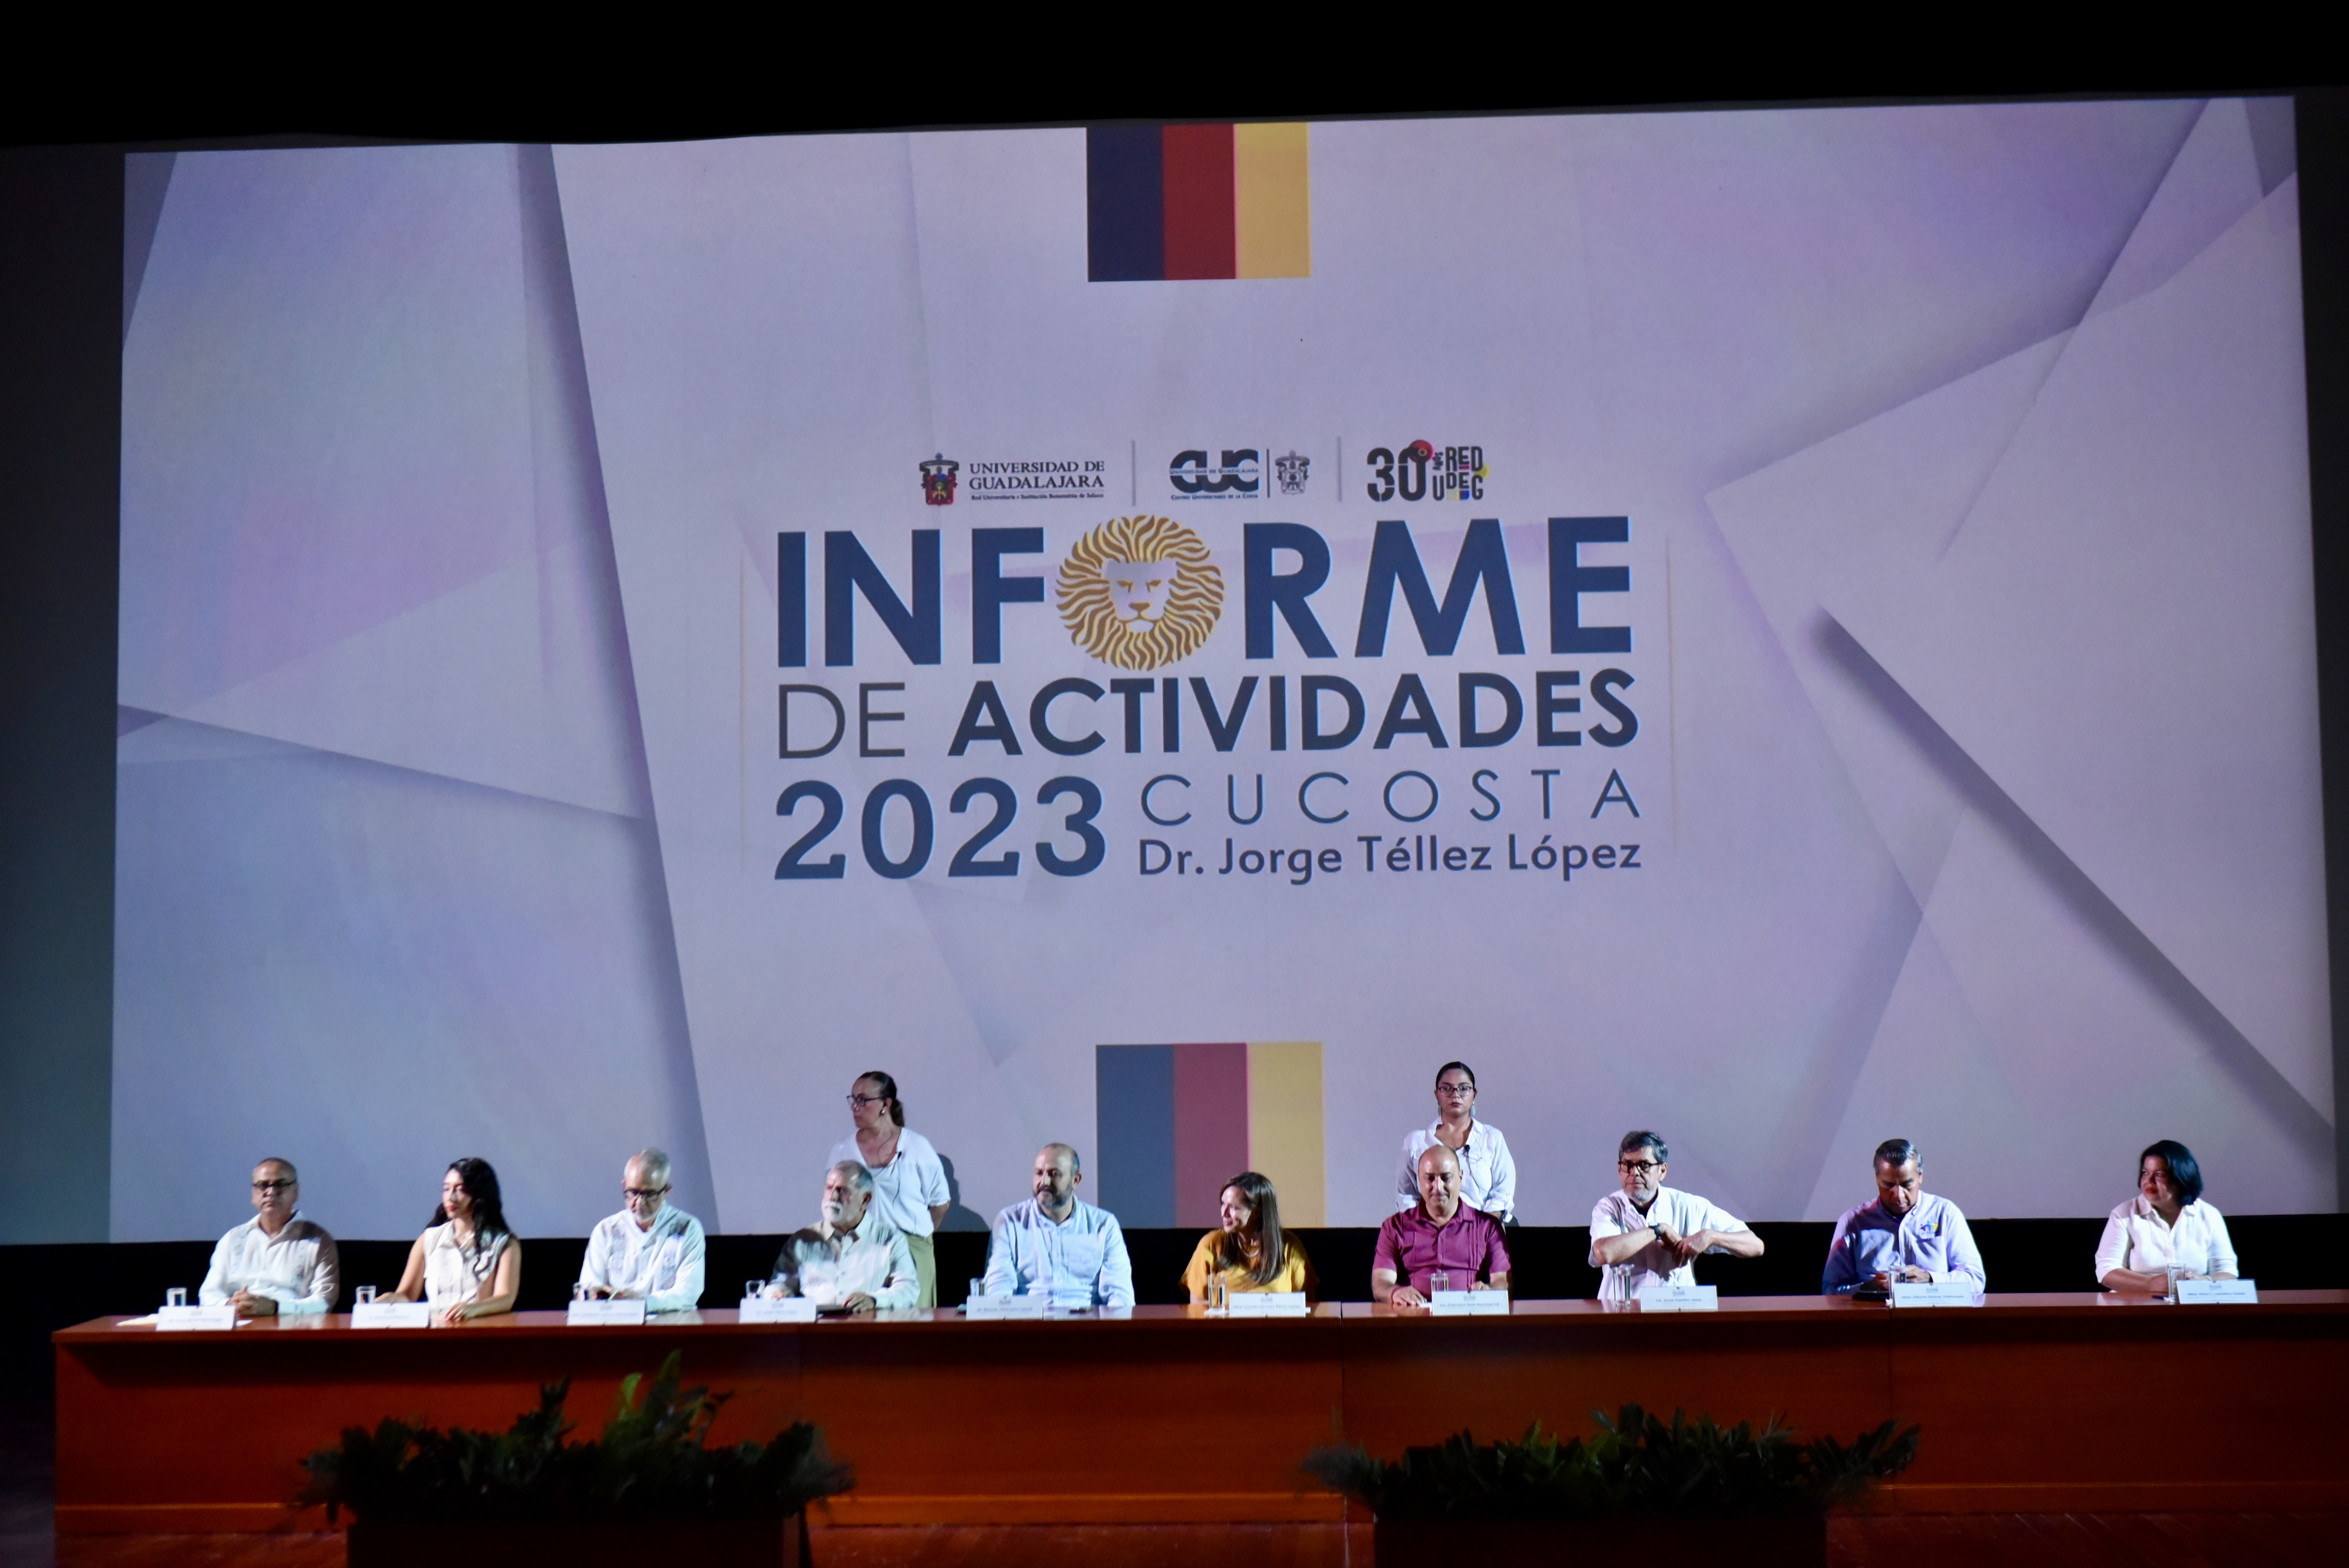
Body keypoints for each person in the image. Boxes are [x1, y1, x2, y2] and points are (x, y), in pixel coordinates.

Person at [1588, 1130, 1763, 1303]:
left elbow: (1756, 1246)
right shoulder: (1609, 1207)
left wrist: (1710, 1236)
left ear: (1662, 1171)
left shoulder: (1688, 1205)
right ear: (1620, 1170)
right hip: (1622, 1313)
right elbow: (1604, 1253)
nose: (1634, 1173)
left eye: (1644, 1165)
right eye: (1628, 1165)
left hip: (1676, 1312)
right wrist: (1659, 1231)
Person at [827, 1071, 950, 1307]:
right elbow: (834, 1205)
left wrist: (917, 1237)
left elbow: (941, 1203)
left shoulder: (917, 1147)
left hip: (912, 1249)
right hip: (862, 1252)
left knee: (914, 1321)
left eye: (863, 1100)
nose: (855, 1107)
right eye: (853, 1099)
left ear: (886, 1104)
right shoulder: (843, 1151)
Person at [1822, 1139, 1985, 1295]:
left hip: (1934, 1313)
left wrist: (1930, 1279)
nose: (1899, 1195)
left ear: (1920, 1176)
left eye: (1907, 1185)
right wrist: (1867, 1289)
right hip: (1875, 1314)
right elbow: (1830, 1291)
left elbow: (1976, 1280)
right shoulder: (1853, 1223)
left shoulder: (1945, 1213)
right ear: (1877, 1179)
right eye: (1889, 1185)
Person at [983, 1144, 1135, 1307]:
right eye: (1039, 1173)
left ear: (1075, 1181)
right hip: (1029, 1320)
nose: (1044, 1182)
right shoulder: (1009, 1221)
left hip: (1087, 1320)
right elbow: (998, 1290)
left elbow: (1121, 1296)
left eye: (1054, 1174)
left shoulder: (1104, 1225)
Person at [765, 1161, 920, 1311]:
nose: (832, 1197)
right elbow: (779, 1285)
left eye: (843, 1190)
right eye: (829, 1188)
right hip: (815, 1326)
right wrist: (777, 1294)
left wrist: (874, 1300)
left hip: (866, 1324)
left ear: (866, 1199)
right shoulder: (802, 1240)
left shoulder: (891, 1239)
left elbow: (908, 1289)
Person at [198, 1157, 339, 1317]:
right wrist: (229, 1305)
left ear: (296, 1192)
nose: (271, 1192)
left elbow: (324, 1302)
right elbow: (209, 1293)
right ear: (254, 1194)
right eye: (263, 1185)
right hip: (238, 1324)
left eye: (280, 1185)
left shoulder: (318, 1241)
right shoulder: (232, 1239)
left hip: (291, 1328)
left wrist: (275, 1308)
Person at [1372, 1145, 1511, 1306]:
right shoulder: (1395, 1227)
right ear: (1419, 1180)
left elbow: (1503, 1282)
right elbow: (1381, 1282)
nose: (1438, 1188)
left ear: (1461, 1178)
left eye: (1446, 1178)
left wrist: (1489, 1291)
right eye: (1430, 1179)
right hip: (1414, 1316)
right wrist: (1395, 1292)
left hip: (1469, 1316)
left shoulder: (1488, 1227)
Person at [388, 1157, 522, 1324]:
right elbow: (407, 1295)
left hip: (480, 1333)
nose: (451, 1197)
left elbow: (505, 1298)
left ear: (481, 1194)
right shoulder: (428, 1240)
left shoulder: (504, 1244)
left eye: (461, 1190)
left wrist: (473, 1309)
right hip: (435, 1333)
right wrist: (387, 1301)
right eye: (446, 1189)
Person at [2096, 1139, 2239, 1293]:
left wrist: (2204, 1282)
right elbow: (2107, 1271)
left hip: (2193, 1303)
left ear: (2181, 1178)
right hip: (2136, 1304)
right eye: (2145, 1173)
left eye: (2159, 1175)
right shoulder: (2124, 1214)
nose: (2149, 1181)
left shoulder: (2209, 1215)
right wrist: (2151, 1284)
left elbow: (2228, 1273)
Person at [577, 1147, 706, 1311]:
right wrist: (596, 1294)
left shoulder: (687, 1228)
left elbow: (687, 1293)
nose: (639, 1203)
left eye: (650, 1194)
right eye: (633, 1192)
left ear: (666, 1191)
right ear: (625, 1185)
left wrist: (643, 1303)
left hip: (670, 1325)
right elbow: (588, 1286)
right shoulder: (606, 1230)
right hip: (617, 1323)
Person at [1393, 1061, 1516, 1222]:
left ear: (1474, 1095)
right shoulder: (1417, 1142)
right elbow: (1406, 1195)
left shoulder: (1491, 1138)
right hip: (1431, 1230)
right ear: (1437, 1095)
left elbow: (1503, 1191)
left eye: (1464, 1088)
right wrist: (1427, 1227)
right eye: (1447, 1089)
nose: (1455, 1095)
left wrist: (1481, 1228)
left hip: (1482, 1228)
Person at [1182, 1171, 1319, 1303]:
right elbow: (1198, 1306)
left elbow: (1306, 1303)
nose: (1224, 1213)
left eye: (1234, 1207)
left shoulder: (1289, 1246)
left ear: (1257, 1213)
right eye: (1223, 1204)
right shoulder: (1211, 1244)